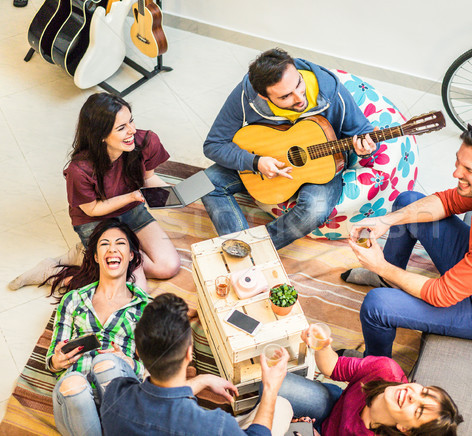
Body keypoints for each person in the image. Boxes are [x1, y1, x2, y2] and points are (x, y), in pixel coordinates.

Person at [342, 117, 472, 356]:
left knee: (377, 304)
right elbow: (448, 201)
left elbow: (440, 294)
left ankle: (375, 370)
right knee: (408, 202)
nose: (456, 173)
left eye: (469, 170)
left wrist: (380, 266)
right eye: (458, 162)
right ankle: (387, 279)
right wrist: (386, 220)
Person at [201, 48, 377, 249]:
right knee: (206, 183)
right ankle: (239, 246)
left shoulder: (329, 89)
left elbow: (363, 130)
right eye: (285, 96)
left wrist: (366, 148)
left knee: (315, 210)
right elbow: (214, 144)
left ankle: (259, 249)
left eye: (299, 84)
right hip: (264, 161)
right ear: (264, 97)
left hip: (322, 166)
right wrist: (256, 162)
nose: (299, 98)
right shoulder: (245, 96)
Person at [9, 92, 180, 291]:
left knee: (168, 267)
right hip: (95, 220)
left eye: (131, 121)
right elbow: (92, 209)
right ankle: (66, 266)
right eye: (122, 128)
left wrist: (173, 194)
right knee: (136, 286)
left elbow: (148, 177)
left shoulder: (146, 141)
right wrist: (132, 197)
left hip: (131, 210)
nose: (132, 130)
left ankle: (96, 256)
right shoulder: (80, 169)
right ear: (101, 136)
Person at [100, 292, 293, 436]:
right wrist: (270, 388)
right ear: (189, 353)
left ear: (139, 353)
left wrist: (202, 380)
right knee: (282, 406)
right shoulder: (216, 425)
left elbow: (161, 400)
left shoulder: (115, 394)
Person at [47, 219, 151, 436]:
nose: (112, 248)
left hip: (119, 390)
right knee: (73, 383)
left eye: (120, 243)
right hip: (74, 399)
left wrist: (129, 362)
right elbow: (52, 362)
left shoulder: (146, 307)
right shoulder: (73, 300)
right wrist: (57, 361)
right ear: (96, 256)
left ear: (131, 254)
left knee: (106, 363)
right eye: (104, 244)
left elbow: (156, 371)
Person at [274, 326, 462, 436]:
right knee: (274, 383)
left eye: (418, 410)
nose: (413, 396)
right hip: (331, 405)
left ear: (405, 429)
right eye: (423, 391)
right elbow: (333, 367)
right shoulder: (385, 369)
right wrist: (322, 347)